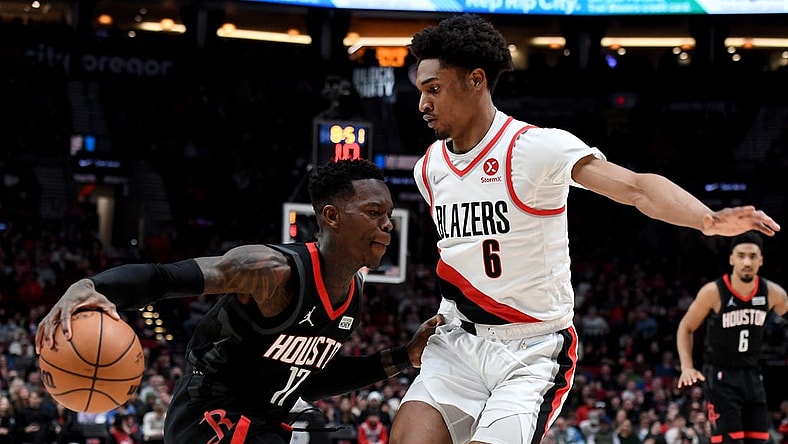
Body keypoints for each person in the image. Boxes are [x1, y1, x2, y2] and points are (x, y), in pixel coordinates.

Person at [389, 13, 781, 444]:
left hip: (530, 350)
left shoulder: (534, 148)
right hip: (456, 345)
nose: (423, 104)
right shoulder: (430, 168)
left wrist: (707, 220)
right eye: (421, 91)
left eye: (434, 89)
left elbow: (636, 188)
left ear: (476, 80)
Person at [35, 159, 445, 444]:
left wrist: (403, 357)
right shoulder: (270, 271)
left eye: (389, 214)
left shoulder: (353, 294)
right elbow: (165, 277)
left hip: (266, 419)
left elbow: (309, 380)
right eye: (374, 211)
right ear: (332, 216)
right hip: (208, 415)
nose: (387, 224)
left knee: (326, 433)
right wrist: (91, 287)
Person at [676, 231, 788, 444]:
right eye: (741, 255)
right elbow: (686, 327)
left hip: (753, 375)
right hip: (720, 376)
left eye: (753, 256)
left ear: (761, 260)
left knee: (760, 440)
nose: (747, 261)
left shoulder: (773, 293)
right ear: (732, 259)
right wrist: (686, 366)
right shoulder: (714, 292)